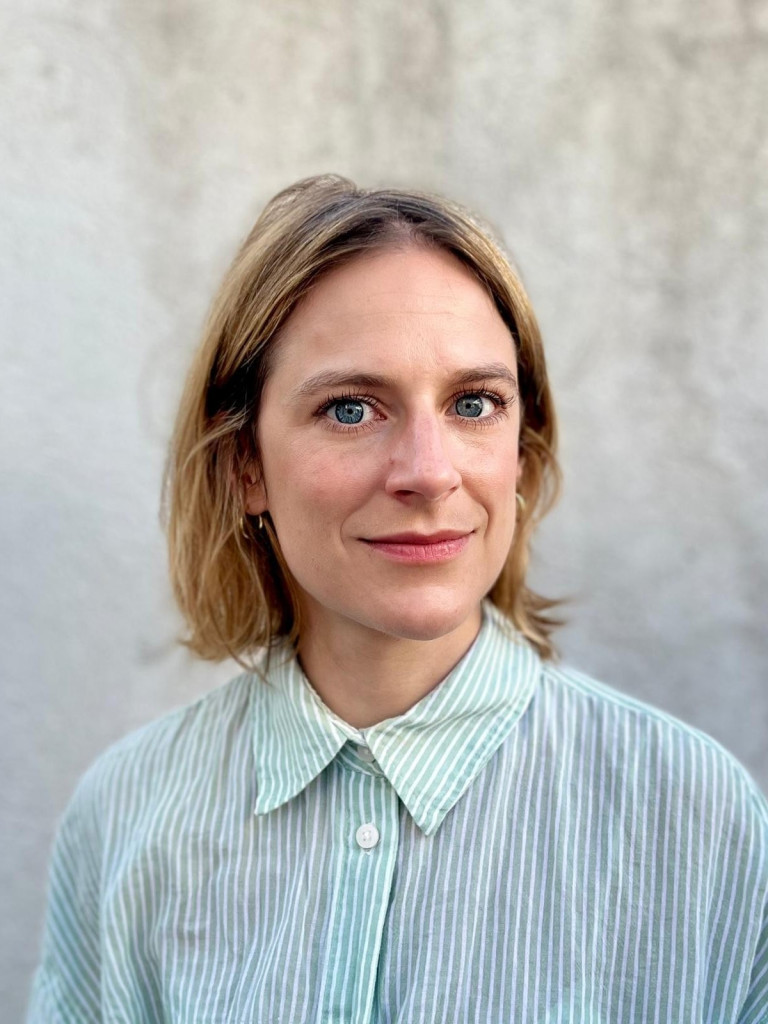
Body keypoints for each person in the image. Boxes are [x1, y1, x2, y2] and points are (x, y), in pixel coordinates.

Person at [28, 175, 768, 1023]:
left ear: (520, 457)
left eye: (474, 403)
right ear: (245, 467)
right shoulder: (126, 818)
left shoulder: (698, 820)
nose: (427, 471)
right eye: (351, 408)